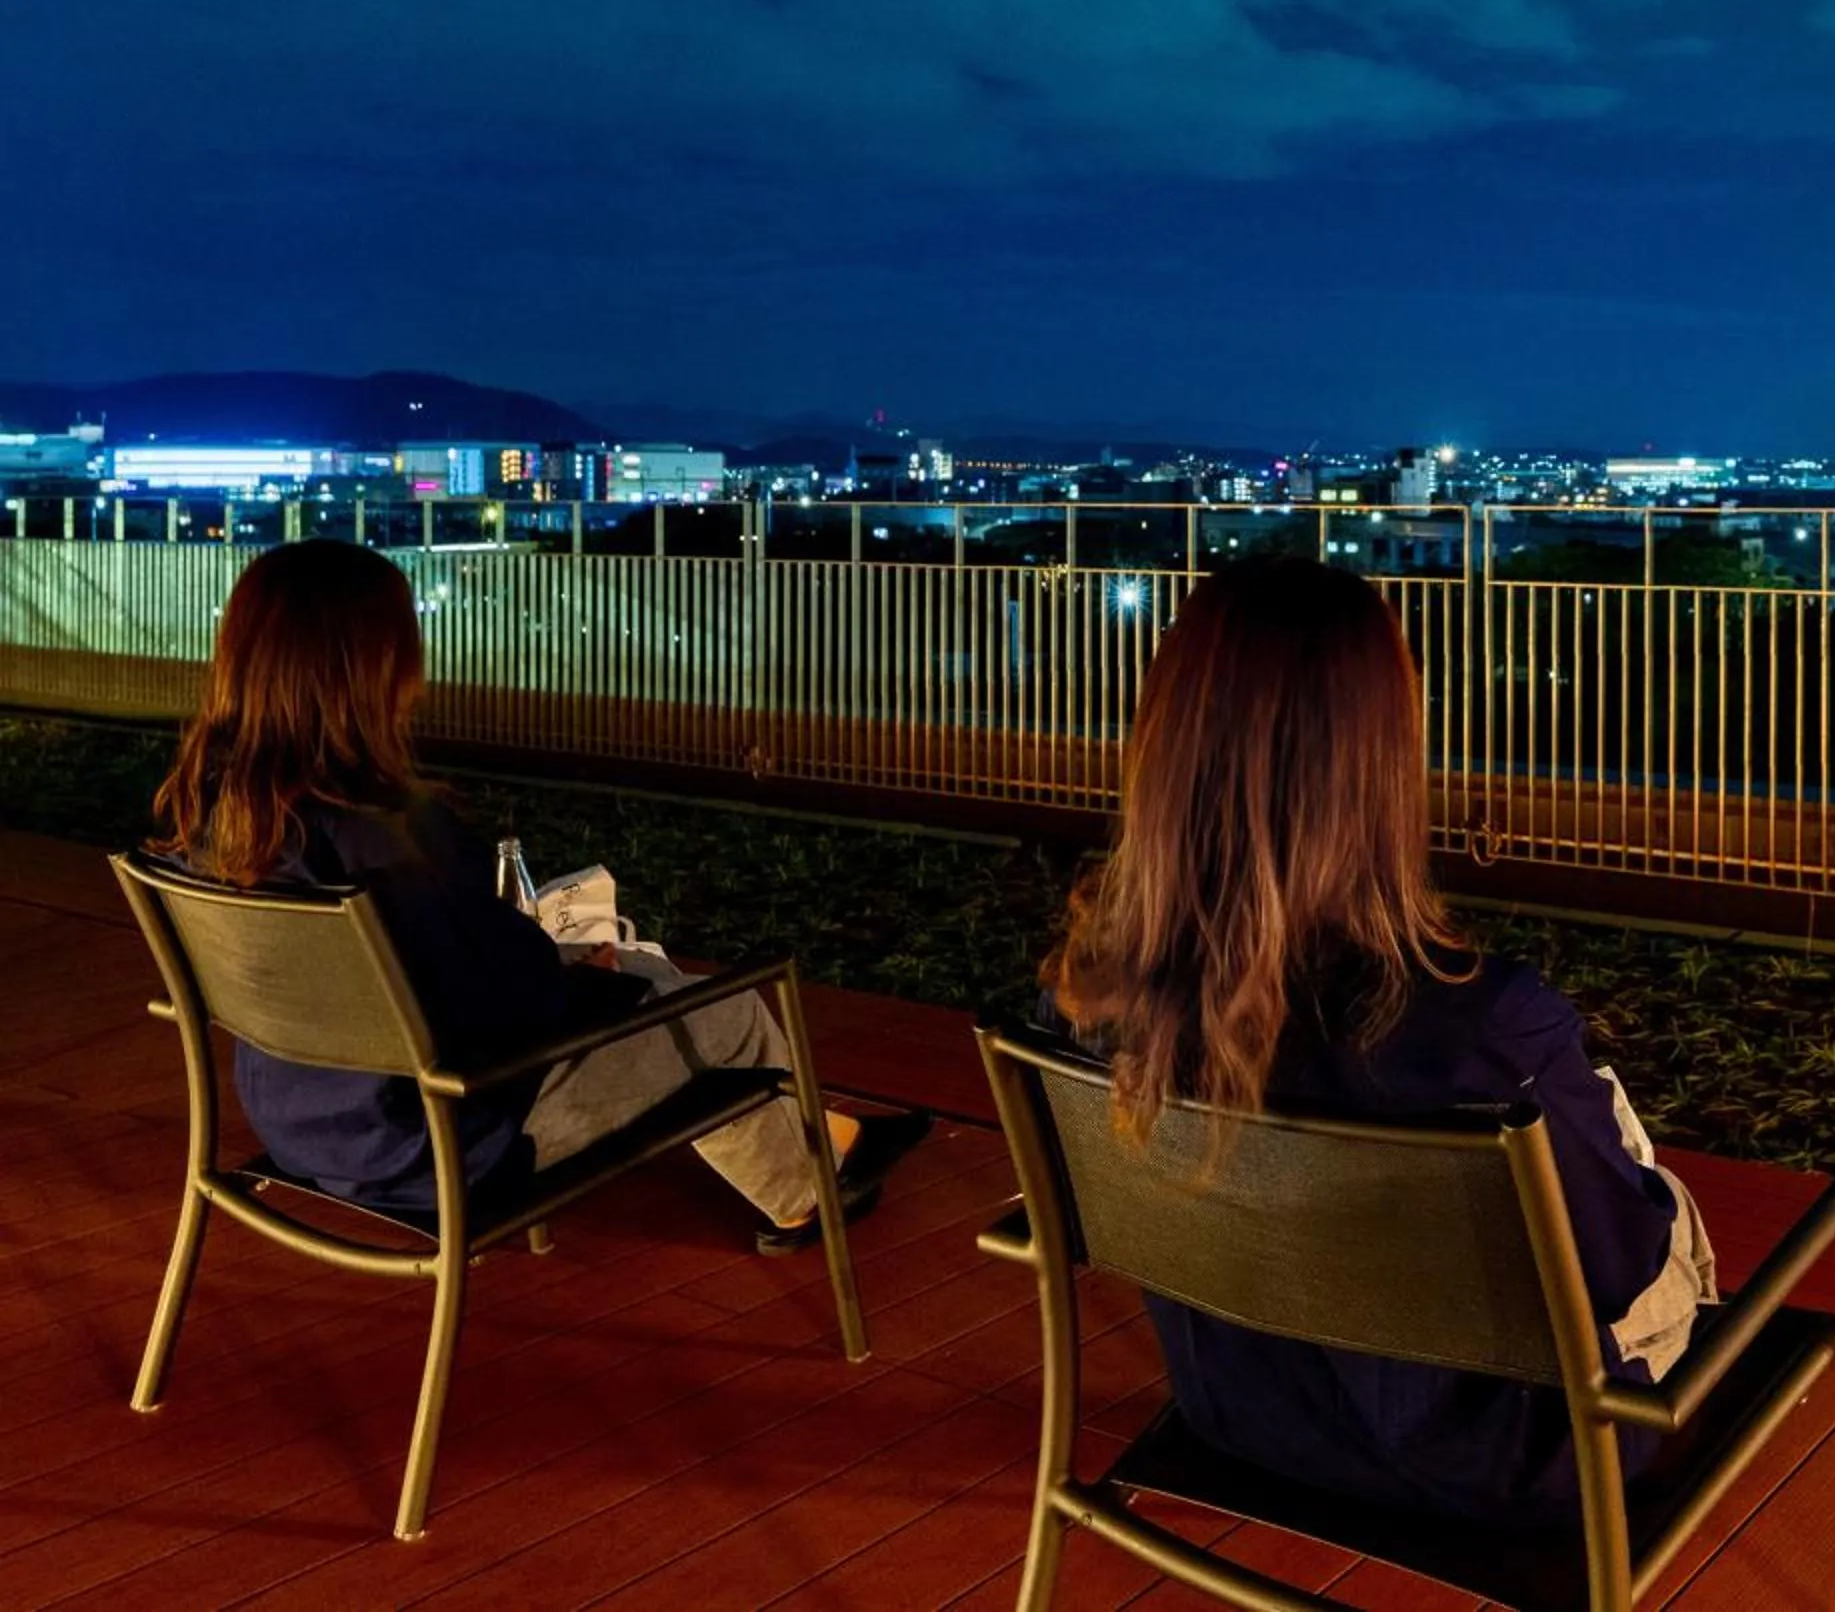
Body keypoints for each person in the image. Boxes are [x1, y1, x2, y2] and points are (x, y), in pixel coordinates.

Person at [1040, 556, 1715, 1522]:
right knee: (1651, 1190)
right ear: (1379, 760)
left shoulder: (1096, 1012)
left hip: (1237, 1414)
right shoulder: (1482, 1032)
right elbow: (1618, 1264)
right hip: (1506, 1462)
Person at [150, 536, 927, 1250]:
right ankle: (810, 1182)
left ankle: (827, 1141)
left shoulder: (215, 822)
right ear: (374, 667)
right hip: (443, 1140)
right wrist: (568, 976)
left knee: (659, 989)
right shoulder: (394, 836)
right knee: (728, 1011)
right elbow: (513, 1003)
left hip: (305, 1122)